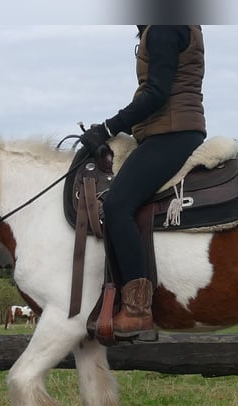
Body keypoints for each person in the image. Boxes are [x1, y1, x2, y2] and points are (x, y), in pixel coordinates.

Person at [80, 25, 206, 339]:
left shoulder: (164, 26)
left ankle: (137, 309)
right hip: (168, 130)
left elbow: (157, 93)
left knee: (117, 203)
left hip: (172, 133)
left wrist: (107, 127)